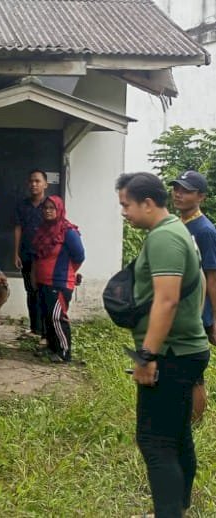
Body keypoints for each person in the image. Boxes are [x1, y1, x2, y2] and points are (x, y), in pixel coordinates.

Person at [116, 172, 210, 518]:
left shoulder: (165, 237)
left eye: (126, 205)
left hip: (171, 355)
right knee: (177, 433)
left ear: (148, 203)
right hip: (184, 350)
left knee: (155, 441)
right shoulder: (177, 231)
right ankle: (178, 506)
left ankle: (168, 513)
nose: (124, 212)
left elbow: (167, 300)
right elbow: (195, 287)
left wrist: (148, 356)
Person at [169, 170, 216, 422]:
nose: (178, 193)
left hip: (196, 313)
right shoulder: (177, 224)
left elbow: (212, 277)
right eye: (176, 188)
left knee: (193, 371)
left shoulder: (205, 231)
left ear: (201, 196)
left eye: (186, 190)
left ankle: (194, 426)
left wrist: (214, 319)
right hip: (176, 308)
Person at [31, 196, 84, 363]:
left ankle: (64, 353)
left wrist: (67, 273)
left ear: (59, 210)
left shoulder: (68, 231)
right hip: (42, 282)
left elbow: (79, 256)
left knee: (57, 317)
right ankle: (52, 348)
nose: (48, 210)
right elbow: (37, 257)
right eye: (45, 207)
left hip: (59, 283)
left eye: (52, 208)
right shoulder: (42, 230)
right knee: (47, 317)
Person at [14, 169, 48, 337]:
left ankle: (44, 330)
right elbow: (18, 228)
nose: (34, 184)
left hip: (44, 257)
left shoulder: (50, 205)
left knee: (43, 291)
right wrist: (16, 253)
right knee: (30, 290)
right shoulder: (23, 205)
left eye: (37, 181)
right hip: (27, 254)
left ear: (45, 184)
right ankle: (35, 328)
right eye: (31, 181)